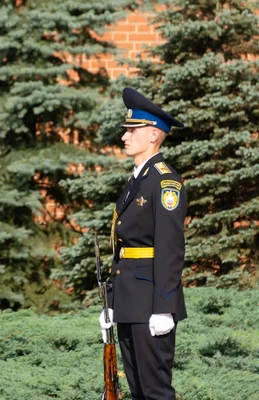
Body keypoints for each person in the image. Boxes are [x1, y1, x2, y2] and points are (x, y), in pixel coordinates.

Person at [99, 87, 187, 400]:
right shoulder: (137, 180)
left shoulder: (164, 183)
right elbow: (122, 248)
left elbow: (170, 249)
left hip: (151, 303)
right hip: (129, 301)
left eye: (131, 130)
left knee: (156, 392)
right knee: (137, 391)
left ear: (152, 135)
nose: (124, 136)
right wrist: (111, 301)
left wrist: (164, 308)